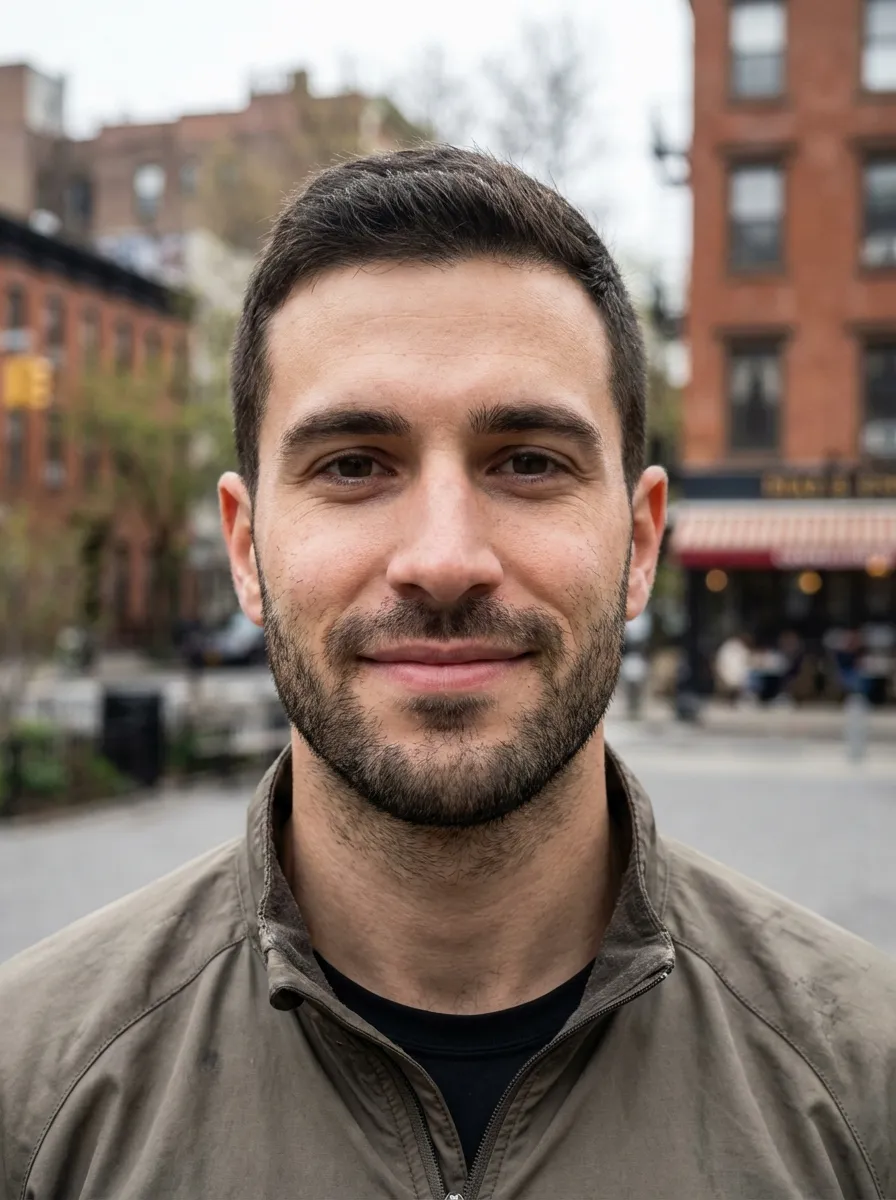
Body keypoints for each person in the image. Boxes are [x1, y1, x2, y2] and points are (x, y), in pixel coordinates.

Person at [1, 147, 894, 1200]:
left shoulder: (862, 1086)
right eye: (352, 466)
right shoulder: (32, 1094)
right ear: (245, 549)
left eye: (526, 461)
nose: (441, 559)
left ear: (640, 541)